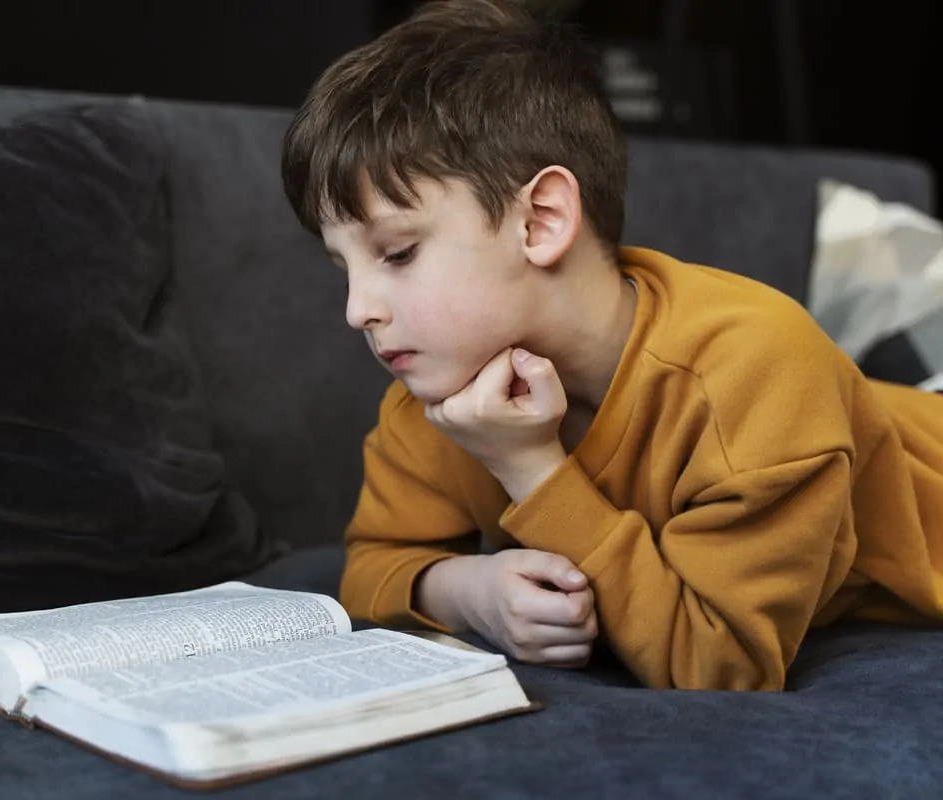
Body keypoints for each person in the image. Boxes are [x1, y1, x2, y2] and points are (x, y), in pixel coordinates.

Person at [279, 0, 943, 691]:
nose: (358, 311)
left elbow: (723, 668)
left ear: (540, 221)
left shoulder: (756, 366)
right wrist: (466, 587)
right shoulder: (441, 390)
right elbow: (371, 564)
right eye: (343, 268)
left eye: (397, 252)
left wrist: (532, 469)